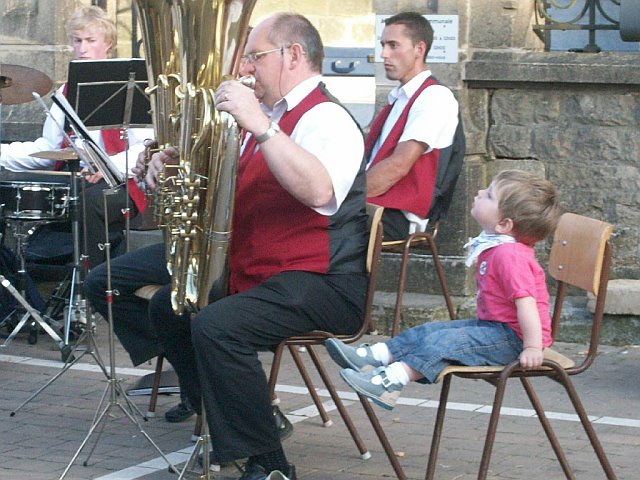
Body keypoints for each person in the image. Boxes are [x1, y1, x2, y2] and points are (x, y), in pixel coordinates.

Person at [85, 12, 368, 480]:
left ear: (293, 55)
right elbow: (224, 189)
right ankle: (222, 416)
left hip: (323, 280)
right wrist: (167, 166)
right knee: (171, 307)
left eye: (255, 56)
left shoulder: (327, 117)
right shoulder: (271, 118)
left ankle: (269, 464)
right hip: (262, 263)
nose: (247, 68)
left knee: (219, 326)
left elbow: (319, 192)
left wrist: (258, 125)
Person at [325, 169, 562, 410]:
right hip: (496, 329)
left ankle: (390, 382)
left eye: (489, 195)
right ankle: (377, 357)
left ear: (504, 224)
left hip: (513, 340)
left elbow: (527, 304)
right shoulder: (497, 246)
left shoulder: (509, 255)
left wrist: (532, 347)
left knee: (444, 343)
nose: (480, 193)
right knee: (430, 331)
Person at [0, 6, 153, 269]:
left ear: (109, 44)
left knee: (92, 199)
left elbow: (146, 148)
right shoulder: (65, 92)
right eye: (77, 41)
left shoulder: (130, 84)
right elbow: (48, 149)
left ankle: (92, 281)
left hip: (127, 182)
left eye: (91, 41)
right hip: (81, 180)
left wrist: (107, 167)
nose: (82, 48)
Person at [365, 12, 459, 240]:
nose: (384, 54)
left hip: (400, 214)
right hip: (376, 204)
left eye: (393, 45)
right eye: (383, 45)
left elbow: (398, 166)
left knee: (311, 223)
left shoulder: (434, 97)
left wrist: (341, 198)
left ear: (419, 49)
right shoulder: (400, 97)